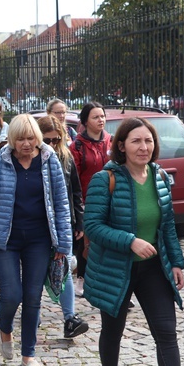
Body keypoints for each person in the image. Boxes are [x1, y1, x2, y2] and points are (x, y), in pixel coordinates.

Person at [83, 117, 184, 366]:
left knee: (166, 332)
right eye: (136, 141)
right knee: (113, 331)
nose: (144, 147)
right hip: (115, 269)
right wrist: (130, 241)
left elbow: (167, 228)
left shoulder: (160, 177)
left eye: (149, 141)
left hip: (154, 268)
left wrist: (176, 262)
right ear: (122, 146)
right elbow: (92, 226)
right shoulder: (106, 179)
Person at [0, 114, 72, 366]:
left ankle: (29, 354)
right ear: (11, 139)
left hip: (39, 239)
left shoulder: (49, 161)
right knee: (11, 295)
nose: (25, 143)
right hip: (5, 241)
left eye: (30, 138)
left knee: (33, 297)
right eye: (20, 138)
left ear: (38, 137)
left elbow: (61, 204)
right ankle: (5, 328)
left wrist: (63, 245)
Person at [37, 115, 89, 339]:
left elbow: (75, 191)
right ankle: (34, 314)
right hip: (38, 223)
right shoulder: (31, 157)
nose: (51, 144)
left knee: (65, 268)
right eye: (46, 140)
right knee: (36, 271)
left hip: (63, 221)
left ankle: (70, 318)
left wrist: (78, 220)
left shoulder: (65, 156)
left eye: (55, 139)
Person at [70, 101, 111, 296]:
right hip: (86, 200)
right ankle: (82, 278)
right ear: (85, 121)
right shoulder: (77, 146)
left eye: (102, 116)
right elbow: (73, 177)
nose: (100, 120)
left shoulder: (111, 141)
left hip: (111, 198)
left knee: (109, 241)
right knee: (86, 242)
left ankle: (108, 281)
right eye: (96, 117)